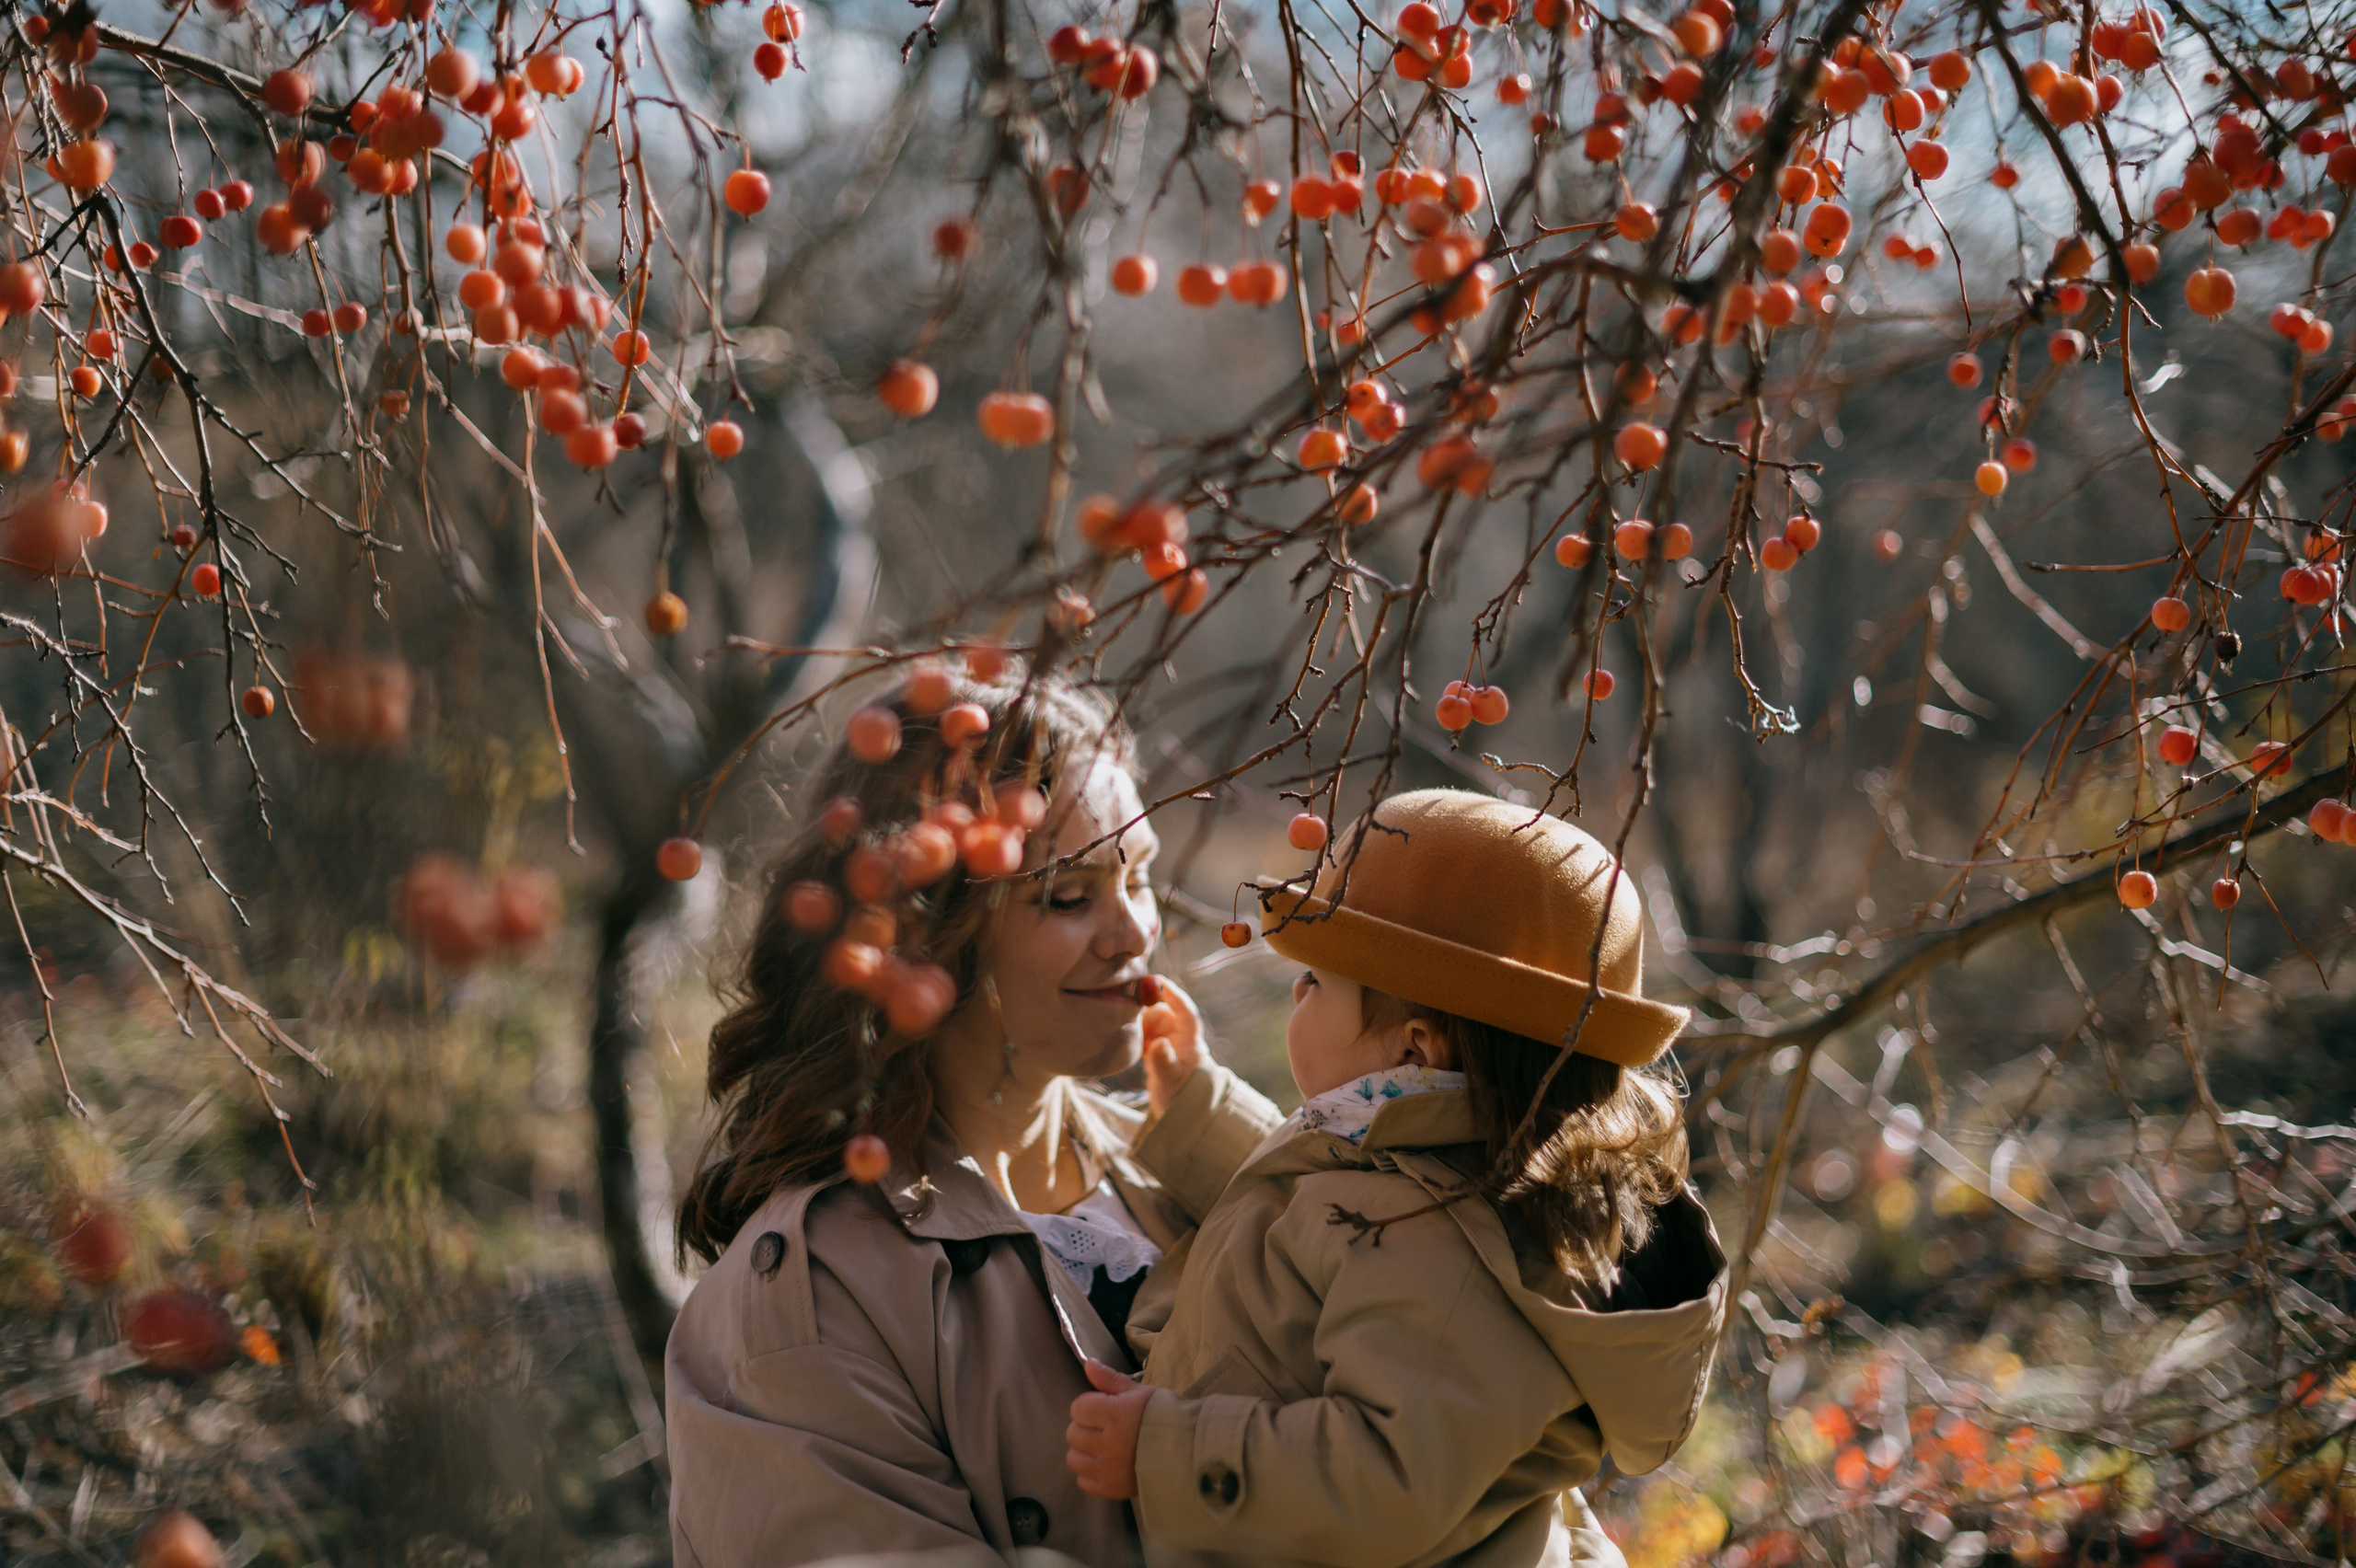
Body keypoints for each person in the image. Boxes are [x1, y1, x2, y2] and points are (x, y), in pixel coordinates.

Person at [664, 666, 1284, 1568]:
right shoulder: (812, 1298)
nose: (1134, 934)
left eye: (1140, 878)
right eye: (1068, 896)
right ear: (923, 931)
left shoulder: (1186, 1164)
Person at [1064, 789, 1729, 1568]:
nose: (1295, 990)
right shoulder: (1432, 1182)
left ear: (1413, 1052)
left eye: (1317, 981)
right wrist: (1198, 1111)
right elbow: (1315, 1207)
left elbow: (1384, 1479)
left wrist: (1168, 1452)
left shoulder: (1443, 1256)